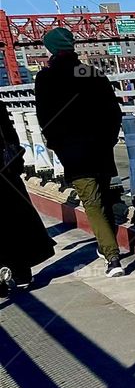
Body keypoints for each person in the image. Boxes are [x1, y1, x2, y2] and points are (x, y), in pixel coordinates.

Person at [34, 26, 125, 277]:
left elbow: (45, 119)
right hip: (100, 146)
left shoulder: (46, 78)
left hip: (73, 149)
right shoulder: (89, 72)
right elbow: (113, 111)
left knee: (92, 202)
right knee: (104, 197)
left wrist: (56, 144)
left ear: (51, 49)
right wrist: (109, 138)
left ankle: (113, 258)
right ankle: (106, 246)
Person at [0, 100, 55, 295]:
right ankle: (22, 271)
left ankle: (4, 277)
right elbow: (10, 136)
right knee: (16, 220)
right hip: (6, 173)